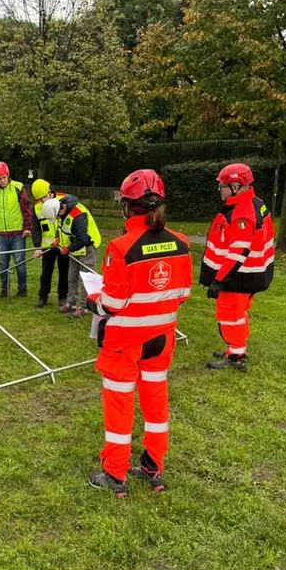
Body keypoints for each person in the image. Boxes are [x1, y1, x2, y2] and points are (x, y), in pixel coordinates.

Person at [85, 169, 192, 497]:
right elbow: (182, 292)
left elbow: (113, 303)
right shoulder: (181, 243)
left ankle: (115, 473)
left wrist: (94, 301)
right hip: (161, 339)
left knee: (119, 404)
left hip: (124, 343)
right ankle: (152, 465)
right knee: (155, 401)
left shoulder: (121, 247)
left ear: (128, 206)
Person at [200, 163, 275, 372]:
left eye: (222, 186)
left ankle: (236, 356)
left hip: (239, 277)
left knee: (230, 316)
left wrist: (219, 280)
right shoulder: (253, 203)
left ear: (235, 186)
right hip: (250, 274)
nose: (219, 190)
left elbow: (237, 252)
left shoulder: (242, 213)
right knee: (238, 314)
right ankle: (235, 349)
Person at [40, 192, 102, 318]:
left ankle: (83, 307)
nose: (57, 218)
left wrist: (68, 249)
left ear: (60, 210)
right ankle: (71, 303)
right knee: (71, 277)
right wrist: (58, 239)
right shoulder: (60, 208)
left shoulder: (78, 215)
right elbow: (62, 228)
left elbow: (83, 239)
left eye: (57, 216)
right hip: (75, 247)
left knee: (85, 279)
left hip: (88, 247)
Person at [0, 161, 32, 298]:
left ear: (8, 175)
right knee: (3, 262)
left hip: (18, 233)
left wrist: (27, 228)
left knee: (19, 262)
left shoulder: (18, 187)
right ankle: (4, 290)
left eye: (4, 177)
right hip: (0, 234)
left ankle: (22, 289)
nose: (2, 180)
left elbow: (26, 209)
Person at [29, 179, 69, 309]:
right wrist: (37, 247)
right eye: (40, 199)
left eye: (44, 197)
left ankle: (63, 297)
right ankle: (43, 297)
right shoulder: (36, 207)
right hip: (47, 245)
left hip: (63, 244)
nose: (42, 201)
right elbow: (35, 228)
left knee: (64, 271)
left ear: (49, 191)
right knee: (46, 271)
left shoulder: (64, 200)